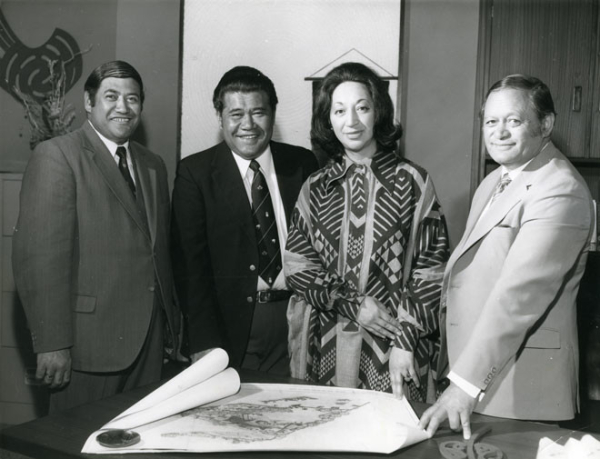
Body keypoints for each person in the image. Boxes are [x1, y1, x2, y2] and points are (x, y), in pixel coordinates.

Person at [420, 74, 594, 439]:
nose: (498, 132)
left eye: (513, 121)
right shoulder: (496, 179)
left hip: (519, 389)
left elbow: (518, 295)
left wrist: (465, 384)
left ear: (545, 124)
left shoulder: (559, 189)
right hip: (483, 375)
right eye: (490, 121)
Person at [12, 60, 180, 412]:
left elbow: (157, 254)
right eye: (111, 96)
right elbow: (40, 260)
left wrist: (171, 327)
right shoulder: (58, 155)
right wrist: (52, 343)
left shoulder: (153, 165)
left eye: (133, 99)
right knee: (78, 444)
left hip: (149, 345)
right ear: (89, 102)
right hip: (86, 346)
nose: (123, 106)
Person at [284, 62, 449, 401]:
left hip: (394, 347)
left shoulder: (412, 181)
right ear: (328, 120)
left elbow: (432, 268)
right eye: (339, 110)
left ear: (379, 112)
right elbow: (298, 267)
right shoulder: (315, 187)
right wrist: (354, 303)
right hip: (324, 343)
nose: (352, 121)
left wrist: (406, 339)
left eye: (362, 108)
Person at [171, 66, 318, 375]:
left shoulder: (302, 164)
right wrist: (203, 341)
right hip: (232, 328)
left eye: (258, 112)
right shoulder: (195, 174)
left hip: (299, 319)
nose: (248, 125)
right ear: (220, 116)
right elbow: (190, 268)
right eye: (236, 114)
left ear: (273, 114)